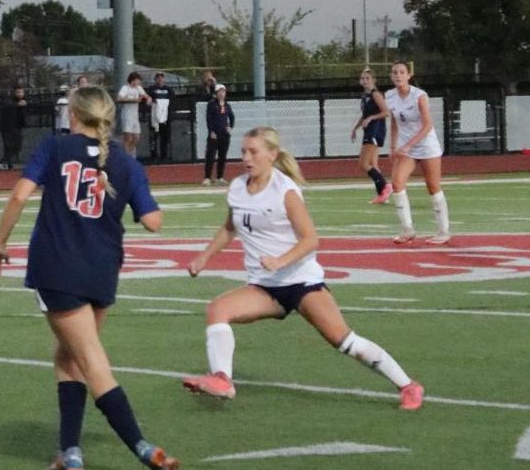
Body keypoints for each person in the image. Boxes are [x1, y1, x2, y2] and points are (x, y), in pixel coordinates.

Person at [0, 85, 179, 470]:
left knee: (90, 362)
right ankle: (70, 450)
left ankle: (144, 448)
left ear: (72, 115)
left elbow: (19, 196)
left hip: (58, 269)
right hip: (102, 269)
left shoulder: (55, 148)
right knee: (69, 357)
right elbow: (154, 222)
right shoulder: (126, 163)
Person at [182, 126, 424, 410]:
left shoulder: (285, 190)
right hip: (265, 287)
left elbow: (311, 239)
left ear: (272, 154)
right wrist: (203, 257)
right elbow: (229, 227)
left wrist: (280, 261)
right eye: (243, 152)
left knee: (344, 340)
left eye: (253, 151)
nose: (246, 158)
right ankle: (223, 379)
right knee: (217, 310)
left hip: (302, 283)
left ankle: (408, 385)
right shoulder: (237, 187)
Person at [385, 61, 451, 243]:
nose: (398, 75)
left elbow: (427, 124)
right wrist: (393, 146)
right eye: (395, 73)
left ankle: (443, 231)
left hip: (426, 145)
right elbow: (394, 122)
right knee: (397, 184)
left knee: (433, 186)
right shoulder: (389, 96)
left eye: (401, 72)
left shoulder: (419, 95)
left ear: (408, 75)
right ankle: (408, 230)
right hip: (407, 148)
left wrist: (408, 144)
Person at [350, 66, 392, 203]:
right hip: (369, 130)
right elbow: (365, 115)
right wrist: (355, 128)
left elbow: (386, 112)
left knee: (363, 163)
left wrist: (371, 118)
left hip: (376, 130)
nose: (364, 80)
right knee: (373, 164)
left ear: (373, 80)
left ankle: (386, 186)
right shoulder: (365, 96)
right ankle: (382, 195)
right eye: (362, 78)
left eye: (367, 78)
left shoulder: (376, 94)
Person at [202, 83, 234, 186]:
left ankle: (220, 177)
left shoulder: (227, 105)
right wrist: (211, 131)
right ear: (216, 93)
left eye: (223, 92)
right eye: (220, 92)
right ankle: (207, 177)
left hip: (224, 135)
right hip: (214, 134)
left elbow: (232, 116)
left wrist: (230, 127)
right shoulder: (211, 104)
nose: (222, 94)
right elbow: (209, 119)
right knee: (210, 156)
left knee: (222, 156)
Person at [115, 70, 150, 156]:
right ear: (133, 80)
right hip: (127, 114)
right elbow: (119, 99)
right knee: (128, 138)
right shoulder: (125, 88)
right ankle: (127, 156)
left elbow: (145, 96)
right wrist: (133, 100)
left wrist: (148, 98)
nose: (139, 82)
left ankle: (128, 154)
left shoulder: (138, 88)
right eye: (137, 80)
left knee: (137, 137)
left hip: (135, 115)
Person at [0, 81, 28, 170]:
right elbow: (6, 105)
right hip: (7, 126)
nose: (20, 94)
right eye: (18, 92)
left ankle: (6, 161)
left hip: (17, 126)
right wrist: (17, 104)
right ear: (14, 92)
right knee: (8, 145)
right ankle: (6, 163)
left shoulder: (24, 100)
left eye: (22, 92)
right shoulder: (9, 100)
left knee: (18, 145)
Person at [148, 71, 172, 163]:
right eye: (158, 77)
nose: (160, 79)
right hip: (154, 116)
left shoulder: (168, 89)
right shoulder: (152, 89)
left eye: (161, 77)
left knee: (164, 137)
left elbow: (172, 99)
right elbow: (149, 99)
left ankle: (164, 155)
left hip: (165, 117)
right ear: (155, 79)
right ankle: (153, 155)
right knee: (153, 136)